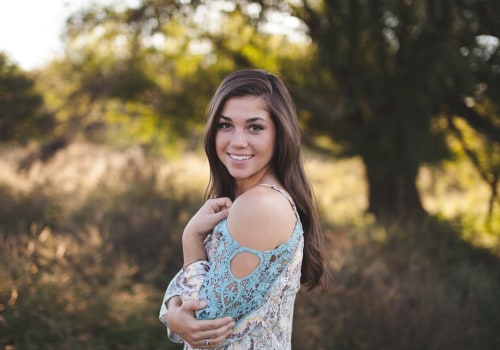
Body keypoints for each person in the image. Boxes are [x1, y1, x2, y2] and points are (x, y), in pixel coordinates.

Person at [159, 69, 325, 349]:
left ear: (280, 135)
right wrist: (173, 312)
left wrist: (191, 238)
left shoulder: (260, 206)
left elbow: (204, 323)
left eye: (255, 127)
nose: (237, 141)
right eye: (225, 125)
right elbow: (193, 301)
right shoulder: (242, 199)